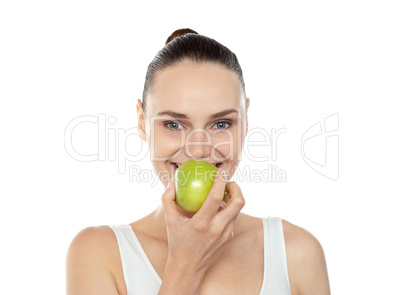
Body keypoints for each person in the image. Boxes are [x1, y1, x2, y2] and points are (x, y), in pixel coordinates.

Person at [66, 28, 331, 295]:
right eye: (173, 124)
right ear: (141, 123)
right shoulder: (99, 254)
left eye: (220, 123)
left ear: (246, 121)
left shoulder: (297, 254)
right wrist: (185, 266)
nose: (199, 150)